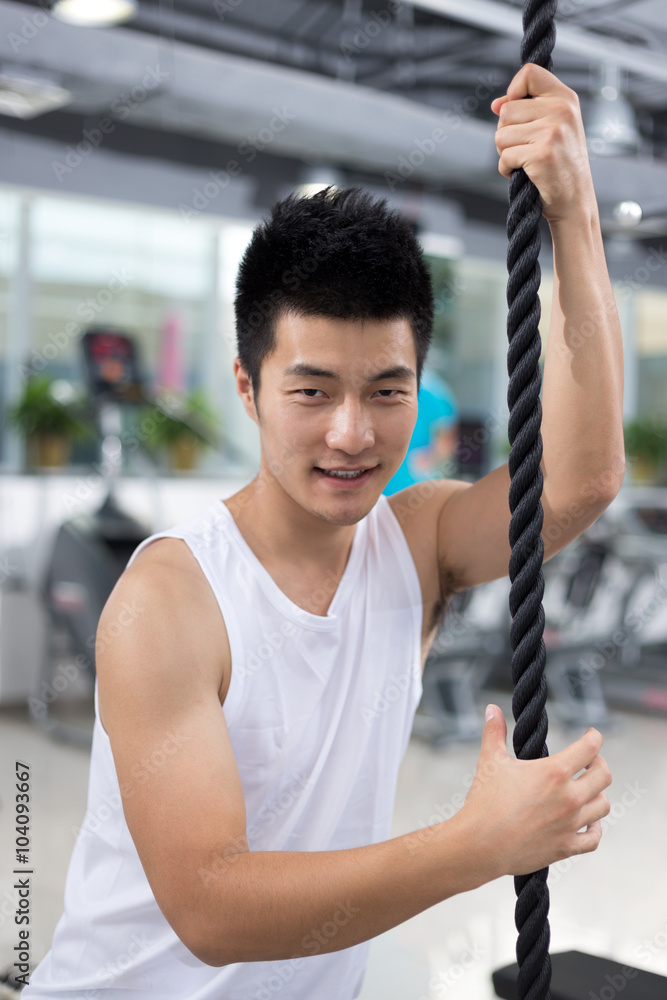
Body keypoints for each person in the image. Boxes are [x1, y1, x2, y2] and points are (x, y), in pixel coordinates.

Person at [23, 64, 623, 1000]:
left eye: (387, 391)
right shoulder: (170, 600)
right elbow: (212, 908)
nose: (352, 433)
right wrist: (476, 845)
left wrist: (574, 215)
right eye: (310, 391)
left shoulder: (415, 543)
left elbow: (582, 480)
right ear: (247, 387)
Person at [383, 366, 459, 494]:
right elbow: (446, 442)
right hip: (418, 488)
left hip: (391, 485)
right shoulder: (437, 390)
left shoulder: (384, 385)